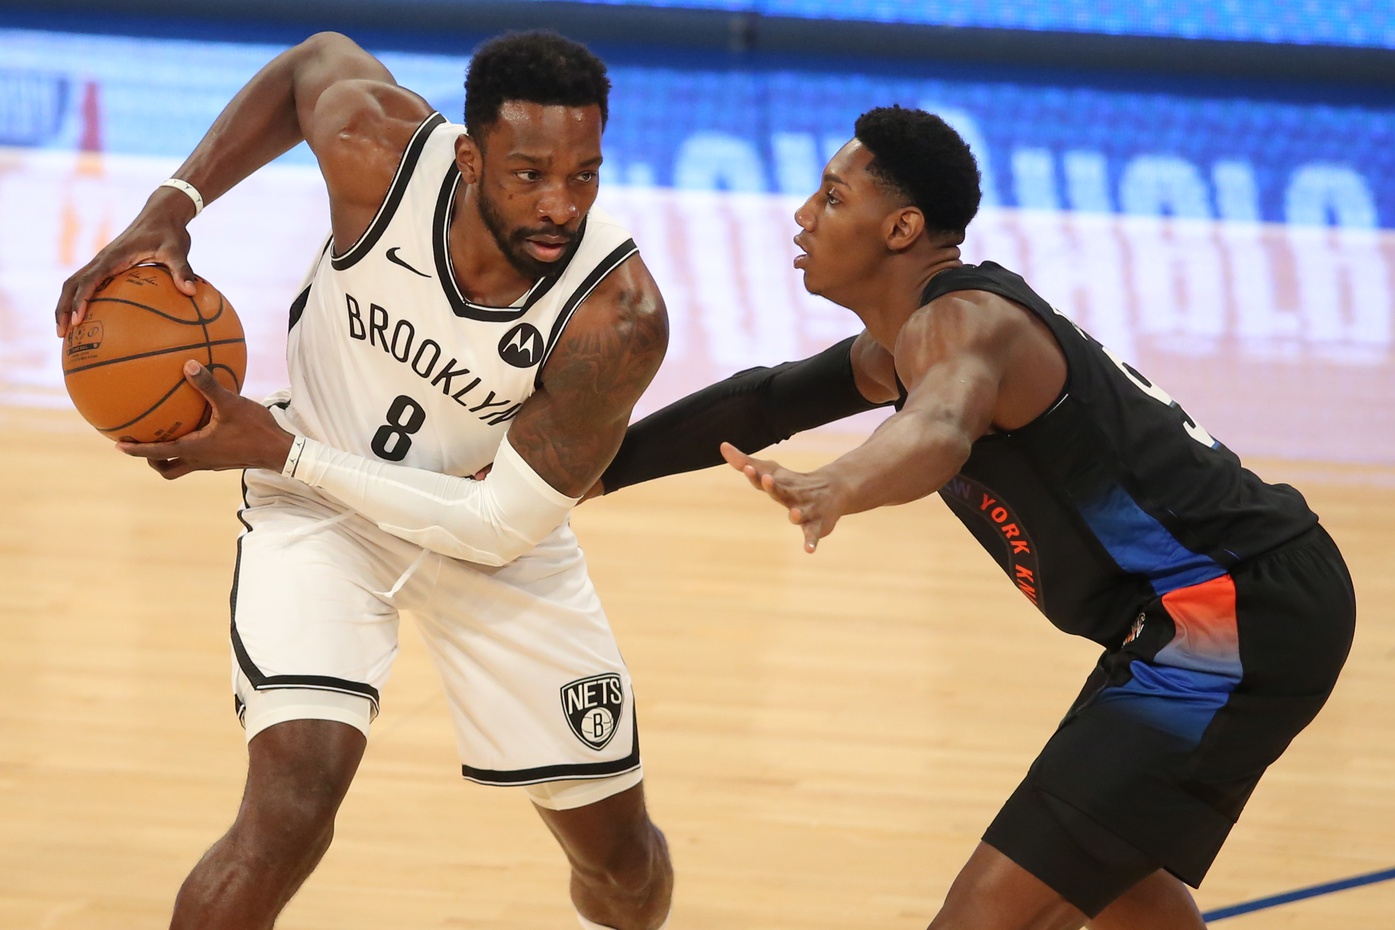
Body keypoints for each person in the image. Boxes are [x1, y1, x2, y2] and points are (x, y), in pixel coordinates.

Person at [592, 105, 1356, 929]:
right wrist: (580, 476)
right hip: (1210, 613)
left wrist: (837, 485)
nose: (803, 216)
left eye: (832, 197)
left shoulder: (963, 327)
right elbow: (763, 400)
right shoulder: (898, 349)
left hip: (1229, 616)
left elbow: (940, 430)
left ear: (902, 227)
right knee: (1118, 883)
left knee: (984, 918)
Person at [55, 31, 672, 930]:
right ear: (469, 157)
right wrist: (175, 204)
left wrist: (277, 449)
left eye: (583, 175)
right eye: (528, 174)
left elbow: (500, 526)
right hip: (316, 517)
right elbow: (314, 60)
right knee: (289, 811)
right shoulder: (377, 158)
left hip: (484, 531)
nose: (558, 206)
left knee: (621, 868)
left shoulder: (615, 318)